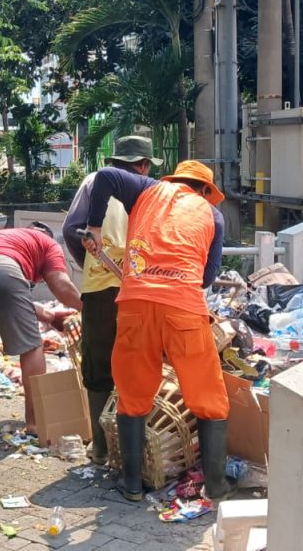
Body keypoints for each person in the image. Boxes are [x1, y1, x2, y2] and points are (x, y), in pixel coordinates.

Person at [82, 160, 230, 502]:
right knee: (208, 400)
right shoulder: (212, 214)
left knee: (133, 395)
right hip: (184, 309)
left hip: (135, 304)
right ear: (205, 191)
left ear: (174, 180)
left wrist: (94, 227)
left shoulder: (146, 190)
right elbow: (207, 279)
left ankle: (132, 485)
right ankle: (217, 486)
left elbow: (105, 177)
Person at [60, 136, 161, 465]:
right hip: (141, 288)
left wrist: (89, 262)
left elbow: (71, 229)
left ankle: (101, 448)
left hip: (101, 287)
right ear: (143, 165)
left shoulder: (93, 182)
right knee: (138, 367)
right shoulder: (153, 189)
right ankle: (136, 454)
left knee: (99, 366)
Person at [0, 224, 83, 435]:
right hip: (3, 271)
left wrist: (49, 316)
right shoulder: (49, 244)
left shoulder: (7, 237)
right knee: (31, 348)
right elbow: (61, 285)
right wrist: (90, 310)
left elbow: (11, 294)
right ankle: (34, 422)